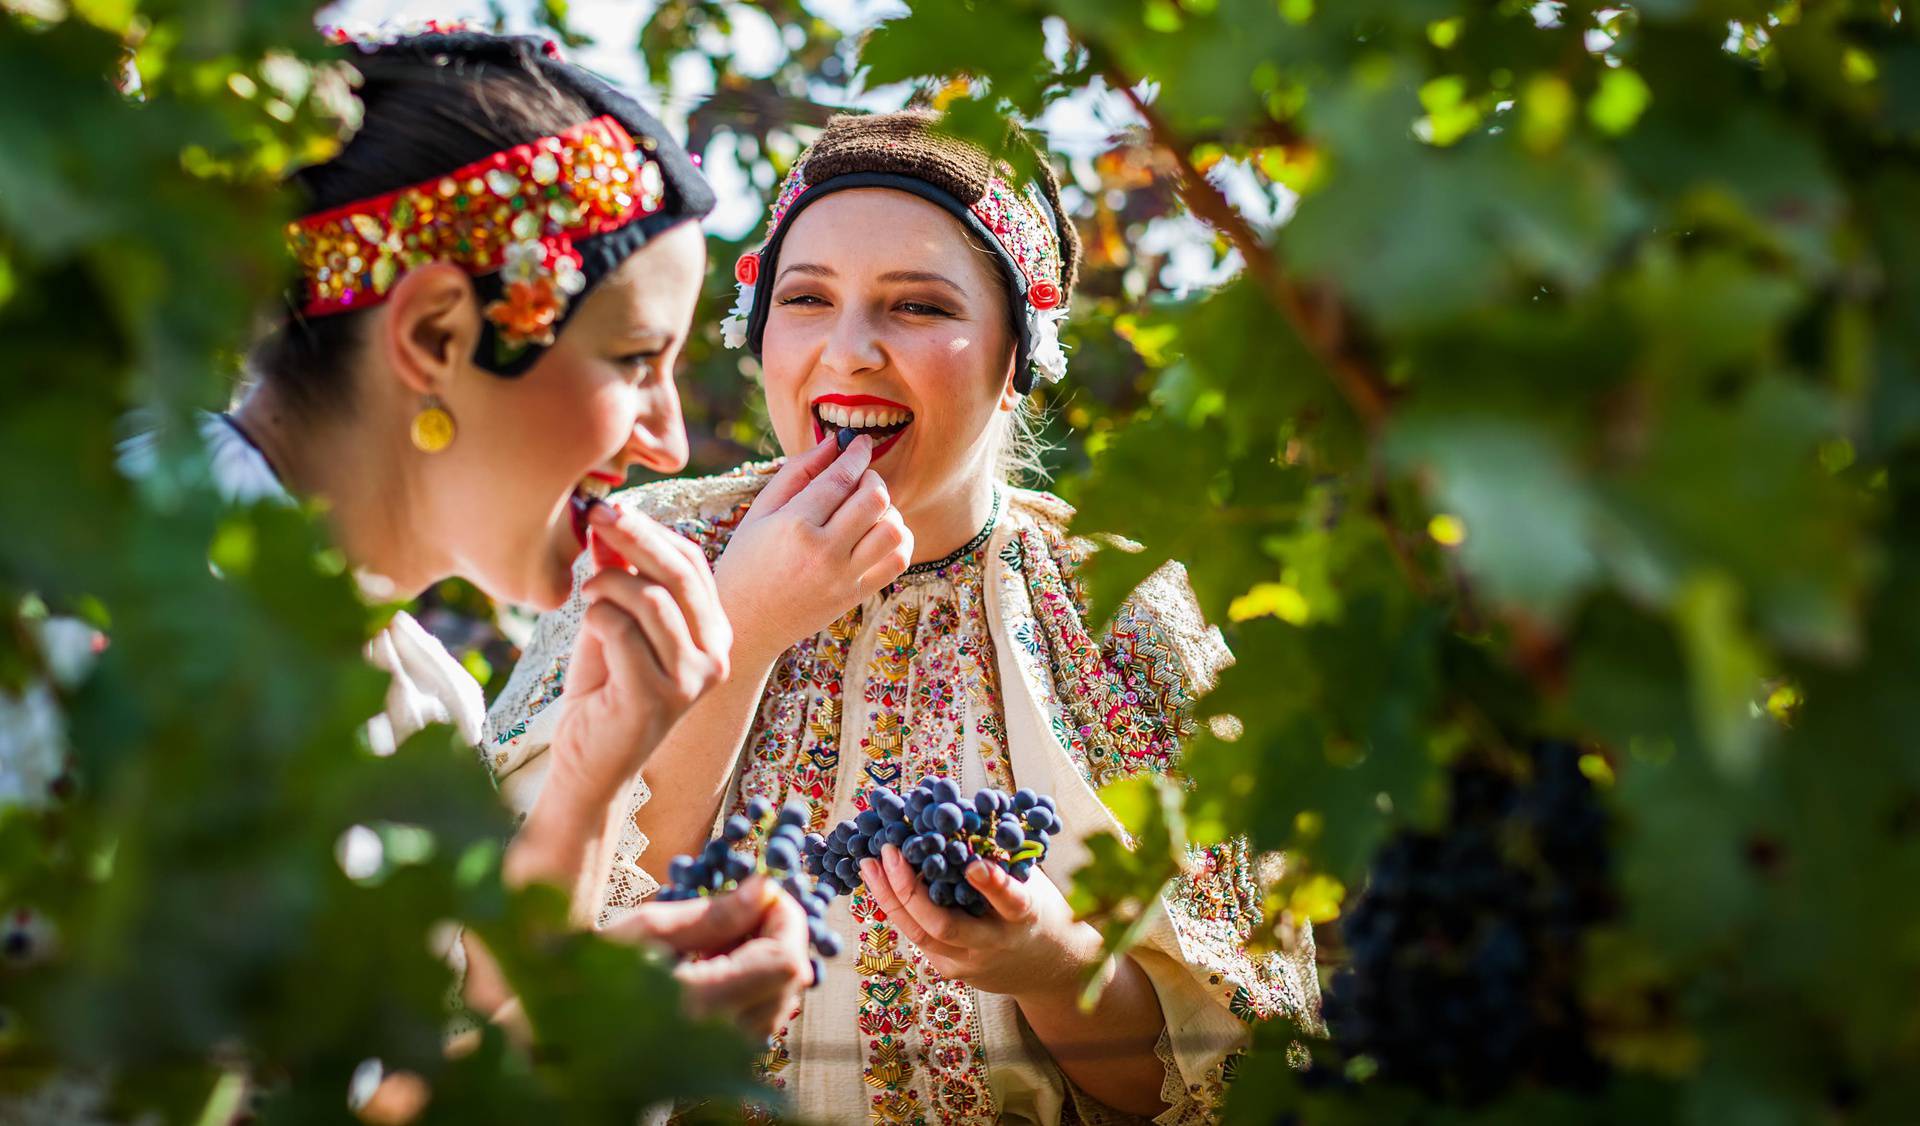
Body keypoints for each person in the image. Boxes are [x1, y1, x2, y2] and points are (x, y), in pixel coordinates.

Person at [488, 109, 1320, 1124]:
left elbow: (1228, 1085)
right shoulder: (639, 554)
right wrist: (742, 622)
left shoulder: (1121, 614)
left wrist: (1052, 964)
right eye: (806, 299)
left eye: (918, 307)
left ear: (1017, 360)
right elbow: (529, 973)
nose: (852, 351)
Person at [146, 28, 813, 1039]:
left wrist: (591, 783)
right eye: (636, 359)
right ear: (434, 337)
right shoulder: (103, 600)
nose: (669, 445)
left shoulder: (429, 707)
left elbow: (442, 1055)